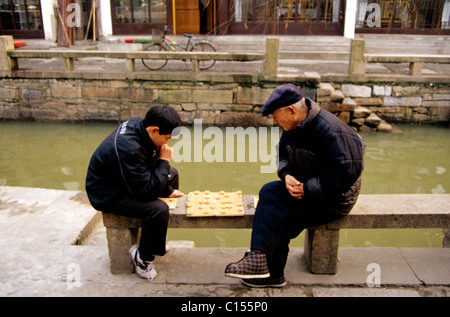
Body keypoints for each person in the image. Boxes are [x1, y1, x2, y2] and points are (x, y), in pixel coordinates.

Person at [225, 84, 365, 288]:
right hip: (307, 185)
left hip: (335, 197)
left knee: (279, 216)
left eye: (275, 116)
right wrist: (287, 174)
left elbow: (346, 174)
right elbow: (283, 154)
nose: (274, 122)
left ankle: (270, 272)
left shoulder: (331, 131)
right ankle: (259, 261)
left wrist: (308, 188)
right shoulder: (294, 126)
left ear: (291, 110)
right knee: (269, 191)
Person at [85, 105, 183, 280]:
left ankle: (154, 240)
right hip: (107, 193)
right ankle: (143, 258)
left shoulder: (139, 124)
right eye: (166, 138)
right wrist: (163, 161)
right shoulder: (129, 147)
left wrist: (167, 189)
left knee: (171, 174)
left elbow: (147, 162)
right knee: (158, 209)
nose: (167, 143)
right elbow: (145, 192)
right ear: (154, 130)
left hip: (124, 179)